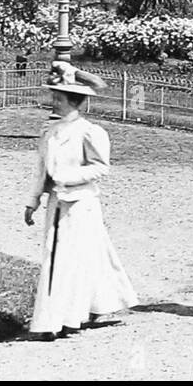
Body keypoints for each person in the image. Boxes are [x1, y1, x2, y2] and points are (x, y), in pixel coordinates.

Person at [23, 62, 138, 339]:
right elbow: (41, 169)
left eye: (60, 99)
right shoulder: (49, 132)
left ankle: (68, 317)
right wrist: (33, 200)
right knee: (55, 257)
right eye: (54, 97)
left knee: (74, 259)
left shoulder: (90, 131)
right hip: (56, 204)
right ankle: (62, 314)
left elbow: (101, 167)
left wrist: (67, 176)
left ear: (76, 103)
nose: (55, 103)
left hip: (81, 204)